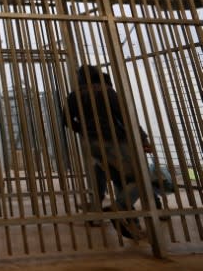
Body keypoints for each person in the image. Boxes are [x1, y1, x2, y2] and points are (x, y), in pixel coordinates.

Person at [63, 65, 150, 239]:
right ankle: (119, 207)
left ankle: (132, 224)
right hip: (115, 141)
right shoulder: (107, 91)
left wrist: (83, 130)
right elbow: (126, 116)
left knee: (121, 181)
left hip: (91, 143)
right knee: (141, 178)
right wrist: (143, 138)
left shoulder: (74, 96)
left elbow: (66, 120)